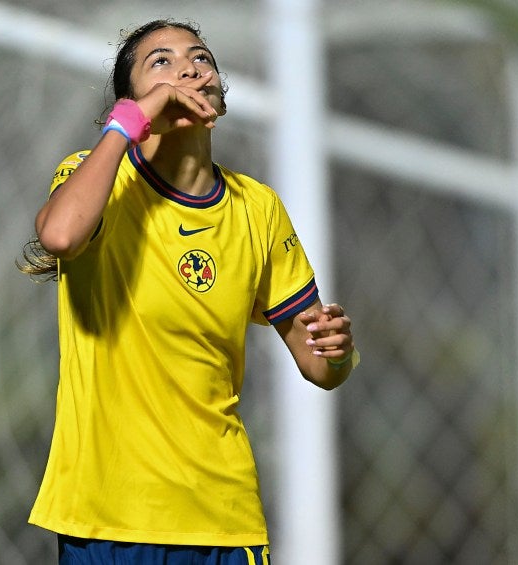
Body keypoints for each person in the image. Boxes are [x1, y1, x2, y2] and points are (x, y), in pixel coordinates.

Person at [18, 18, 358, 564]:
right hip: (105, 518)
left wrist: (337, 352)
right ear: (134, 98)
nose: (190, 68)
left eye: (201, 58)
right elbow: (60, 236)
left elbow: (320, 366)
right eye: (162, 61)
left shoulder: (258, 208)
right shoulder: (96, 178)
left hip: (223, 522)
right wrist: (128, 124)